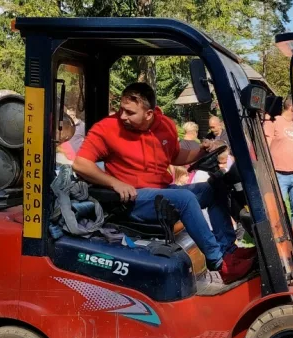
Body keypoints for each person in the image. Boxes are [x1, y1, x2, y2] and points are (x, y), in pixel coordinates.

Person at [72, 82, 253, 284]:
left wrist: (201, 151)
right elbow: (80, 164)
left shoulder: (165, 125)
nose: (122, 116)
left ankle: (229, 251)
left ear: (149, 114)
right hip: (132, 200)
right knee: (184, 198)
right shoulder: (107, 128)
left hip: (163, 192)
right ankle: (219, 262)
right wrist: (115, 183)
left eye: (130, 112)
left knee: (214, 188)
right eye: (122, 109)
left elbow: (175, 156)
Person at [264, 99, 293, 220]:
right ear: (292, 107)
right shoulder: (274, 121)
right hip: (278, 174)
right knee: (277, 211)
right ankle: (281, 237)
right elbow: (265, 146)